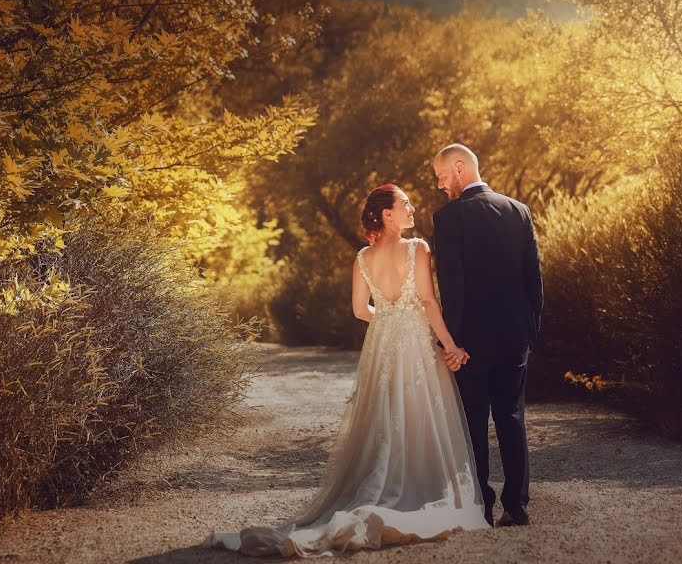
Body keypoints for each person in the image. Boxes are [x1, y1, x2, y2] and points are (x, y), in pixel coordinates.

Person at [202, 183, 489, 558]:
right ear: (388, 214)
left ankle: (379, 484)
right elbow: (428, 301)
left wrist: (388, 318)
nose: (412, 207)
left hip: (382, 345)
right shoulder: (418, 248)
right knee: (420, 411)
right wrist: (450, 346)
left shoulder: (362, 258)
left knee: (383, 417)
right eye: (405, 203)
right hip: (415, 345)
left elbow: (359, 310)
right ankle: (418, 487)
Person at [431, 143, 544, 527]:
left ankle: (481, 506)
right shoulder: (519, 211)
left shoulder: (449, 219)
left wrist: (451, 342)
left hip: (472, 340)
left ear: (460, 169)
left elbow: (452, 286)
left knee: (474, 420)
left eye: (442, 176)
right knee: (512, 416)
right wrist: (531, 328)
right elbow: (534, 276)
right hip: (515, 334)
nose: (441, 185)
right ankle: (517, 504)